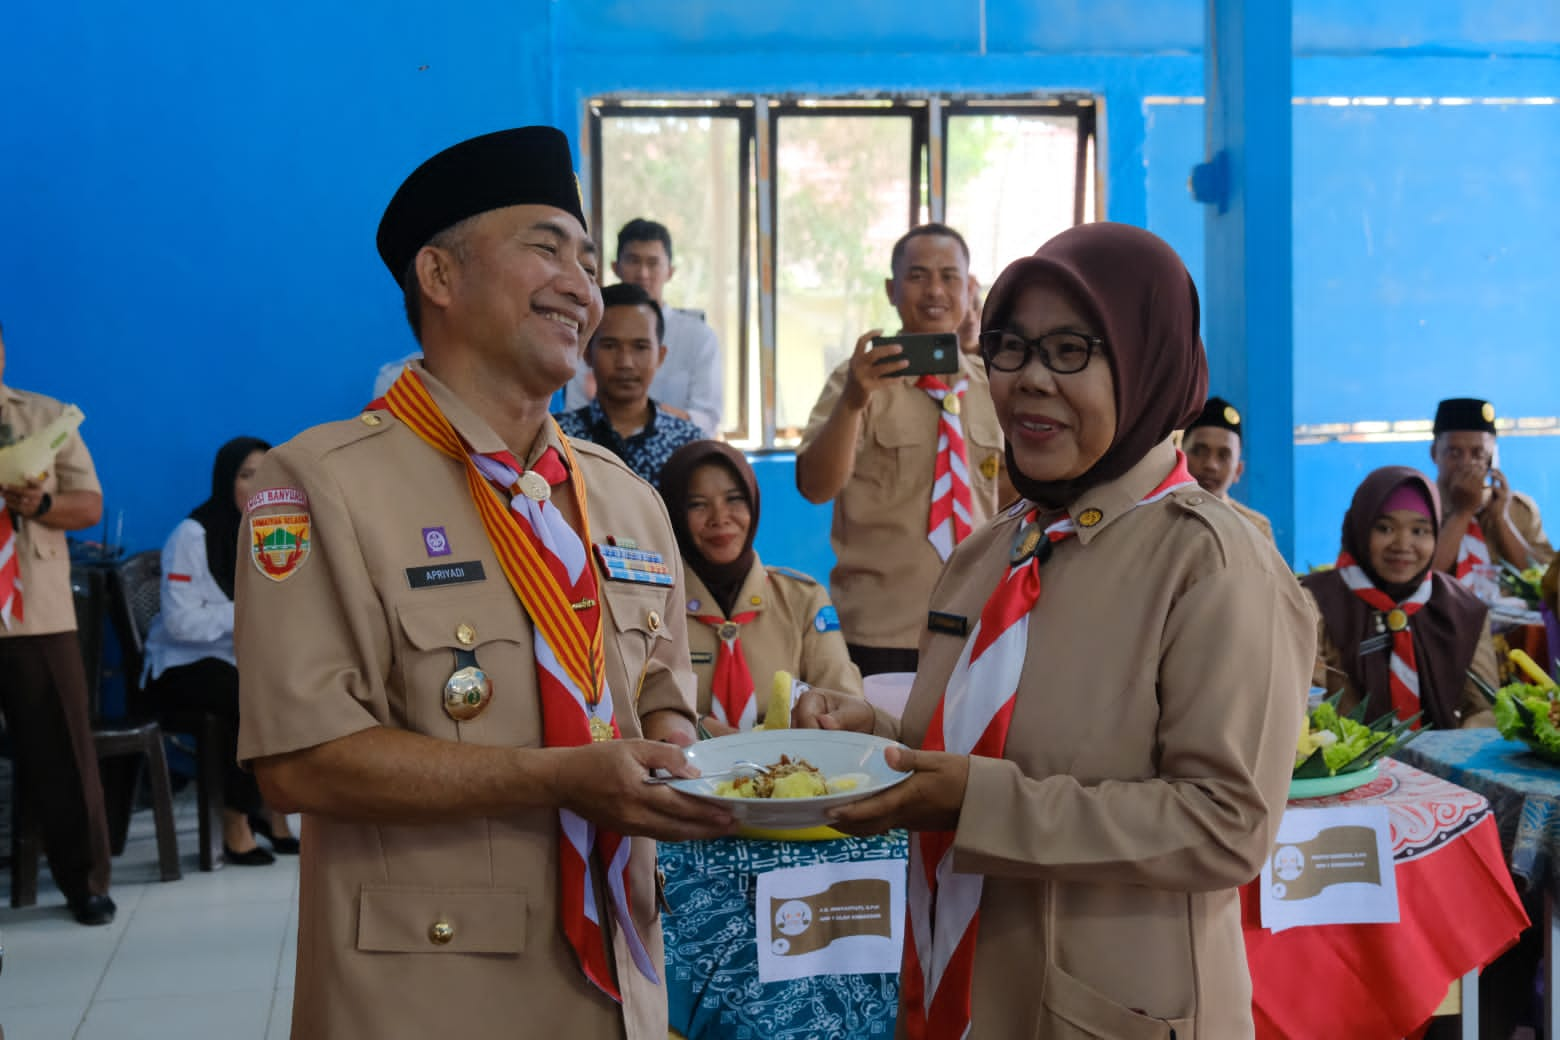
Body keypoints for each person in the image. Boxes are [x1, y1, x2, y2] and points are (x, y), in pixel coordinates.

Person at [235, 127, 734, 1039]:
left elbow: (664, 687)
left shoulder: (623, 498)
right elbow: (298, 760)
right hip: (434, 988)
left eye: (587, 259)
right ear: (439, 275)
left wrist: (672, 753)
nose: (583, 286)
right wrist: (563, 778)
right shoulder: (317, 486)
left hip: (622, 972)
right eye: (546, 246)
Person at [793, 223, 1313, 1037]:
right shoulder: (990, 550)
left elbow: (1226, 826)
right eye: (1010, 346)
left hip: (1107, 1012)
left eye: (1071, 350)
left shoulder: (1211, 560)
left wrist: (975, 802)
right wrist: (881, 736)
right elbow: (1007, 740)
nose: (1030, 379)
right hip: (959, 991)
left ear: (1146, 363)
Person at [794, 223, 1003, 676]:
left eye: (950, 277)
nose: (934, 291)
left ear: (970, 289)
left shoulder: (993, 388)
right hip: (880, 633)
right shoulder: (857, 382)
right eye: (917, 276)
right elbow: (814, 486)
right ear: (891, 289)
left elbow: (1009, 503)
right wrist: (852, 401)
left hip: (977, 628)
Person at [0, 320, 115, 926]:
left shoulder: (46, 416)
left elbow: (89, 505)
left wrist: (40, 504)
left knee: (65, 754)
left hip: (35, 613)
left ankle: (87, 884)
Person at [142, 436, 298, 865]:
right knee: (246, 696)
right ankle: (235, 820)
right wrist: (247, 615)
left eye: (266, 475)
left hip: (240, 660)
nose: (257, 485)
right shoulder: (192, 535)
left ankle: (273, 805)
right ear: (225, 480)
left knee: (294, 687)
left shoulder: (275, 532)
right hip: (181, 666)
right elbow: (180, 623)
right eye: (247, 475)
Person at [658, 440, 860, 734]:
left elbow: (844, 701)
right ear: (674, 513)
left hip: (791, 767)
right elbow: (639, 708)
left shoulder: (802, 598)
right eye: (698, 505)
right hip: (683, 769)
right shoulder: (659, 604)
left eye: (734, 499)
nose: (720, 518)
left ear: (753, 503)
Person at [1302, 467, 1497, 730]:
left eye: (1420, 531)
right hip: (1348, 765)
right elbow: (1304, 701)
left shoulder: (1463, 609)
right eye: (1384, 528)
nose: (1403, 545)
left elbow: (1484, 708)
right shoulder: (1315, 602)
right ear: (1359, 527)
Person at [564, 219, 724, 436]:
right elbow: (576, 407)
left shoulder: (699, 337)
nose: (643, 273)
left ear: (670, 271)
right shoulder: (591, 330)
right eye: (633, 261)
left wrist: (641, 414)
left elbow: (707, 419)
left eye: (653, 263)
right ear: (615, 267)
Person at [554, 283, 703, 488]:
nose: (625, 362)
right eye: (610, 346)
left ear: (660, 356)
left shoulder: (688, 443)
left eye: (640, 347)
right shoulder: (558, 437)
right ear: (587, 353)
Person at [1429, 397, 1554, 580]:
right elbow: (1418, 581)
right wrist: (1462, 513)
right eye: (1454, 453)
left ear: (1494, 456)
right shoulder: (1420, 507)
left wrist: (1502, 521)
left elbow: (1548, 583)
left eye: (1478, 453)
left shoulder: (1518, 509)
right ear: (1434, 454)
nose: (1467, 463)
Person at [1182, 394, 1274, 540]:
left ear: (1238, 470)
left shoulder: (1256, 529)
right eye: (1199, 451)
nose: (1210, 465)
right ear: (1179, 458)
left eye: (1223, 456)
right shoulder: (1158, 519)